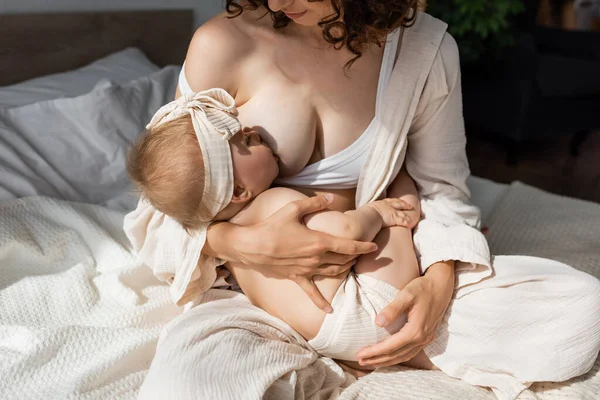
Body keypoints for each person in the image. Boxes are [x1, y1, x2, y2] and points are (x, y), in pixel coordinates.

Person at [124, 1, 600, 399]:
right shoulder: (224, 43)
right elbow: (171, 197)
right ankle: (367, 351)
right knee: (188, 385)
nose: (274, 3)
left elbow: (442, 192)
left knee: (581, 309)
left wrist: (437, 282)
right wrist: (236, 243)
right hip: (254, 297)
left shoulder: (423, 53)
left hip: (381, 272)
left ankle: (382, 345)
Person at [126, 89, 424, 371]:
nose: (252, 131)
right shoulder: (274, 202)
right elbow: (346, 232)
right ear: (239, 191)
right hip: (373, 309)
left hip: (326, 339)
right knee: (400, 209)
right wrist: (377, 211)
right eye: (244, 143)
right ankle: (404, 181)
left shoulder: (232, 253)